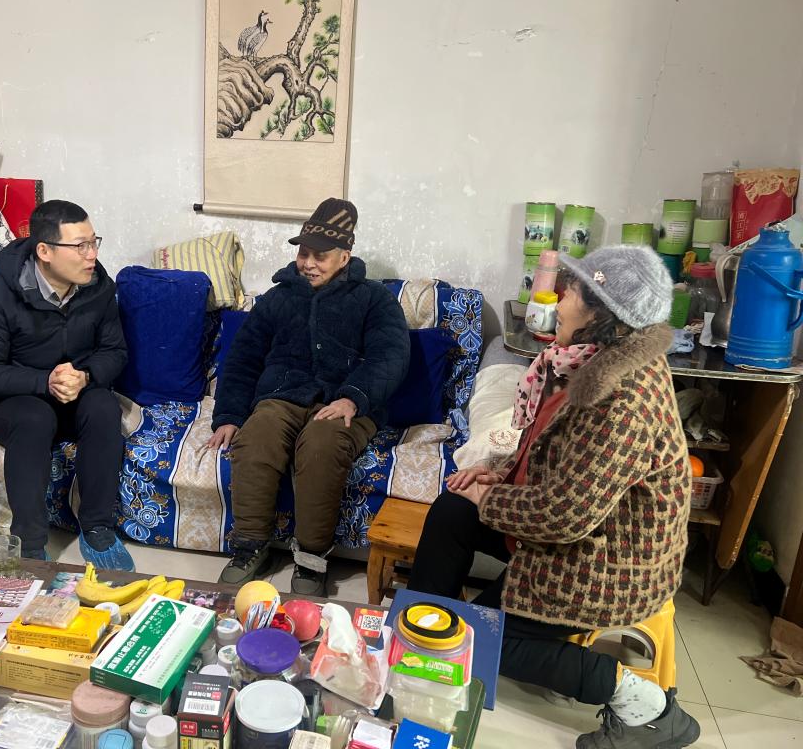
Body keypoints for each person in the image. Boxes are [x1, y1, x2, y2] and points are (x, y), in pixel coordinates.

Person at [409, 246, 699, 749]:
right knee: (452, 510)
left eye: (571, 293)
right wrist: (495, 475)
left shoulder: (620, 399)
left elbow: (566, 514)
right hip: (582, 529)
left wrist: (489, 500)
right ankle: (423, 636)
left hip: (608, 559)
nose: (558, 301)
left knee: (481, 639)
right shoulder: (583, 365)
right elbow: (550, 457)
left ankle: (648, 707)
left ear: (601, 315)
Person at [207, 198, 410, 596]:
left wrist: (353, 397)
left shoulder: (374, 299)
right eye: (304, 253)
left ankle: (312, 557)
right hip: (282, 395)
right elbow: (243, 359)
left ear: (344, 256)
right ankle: (250, 547)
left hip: (344, 402)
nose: (309, 264)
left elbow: (390, 357)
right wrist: (229, 415)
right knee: (256, 437)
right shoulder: (278, 299)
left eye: (320, 256)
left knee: (321, 445)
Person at [0, 200, 133, 570]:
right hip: (18, 400)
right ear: (44, 251)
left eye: (94, 242)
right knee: (34, 418)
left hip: (77, 391)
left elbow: (115, 351)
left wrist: (85, 376)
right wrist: (44, 381)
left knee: (104, 408)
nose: (92, 255)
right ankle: (30, 543)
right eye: (80, 246)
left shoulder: (98, 288)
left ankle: (98, 526)